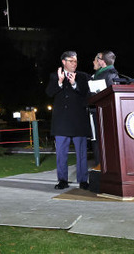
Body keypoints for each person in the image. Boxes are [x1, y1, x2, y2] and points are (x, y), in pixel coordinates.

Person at [45, 51, 91, 190]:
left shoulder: (83, 77)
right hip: (61, 122)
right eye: (71, 61)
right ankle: (62, 180)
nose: (74, 63)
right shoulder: (54, 76)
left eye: (76, 61)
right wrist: (59, 82)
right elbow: (49, 93)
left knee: (82, 153)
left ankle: (83, 180)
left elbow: (88, 94)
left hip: (78, 121)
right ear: (63, 62)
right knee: (61, 154)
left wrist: (74, 84)